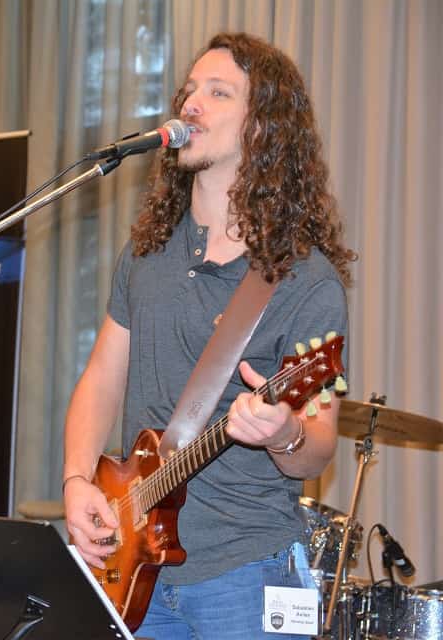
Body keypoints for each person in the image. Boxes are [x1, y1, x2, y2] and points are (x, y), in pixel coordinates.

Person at [62, 33, 355, 639]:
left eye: (219, 92)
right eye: (190, 90)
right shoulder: (147, 253)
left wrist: (284, 432)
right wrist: (75, 480)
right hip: (135, 568)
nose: (191, 103)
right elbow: (100, 377)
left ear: (265, 129)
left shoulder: (306, 279)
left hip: (246, 576)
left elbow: (321, 442)